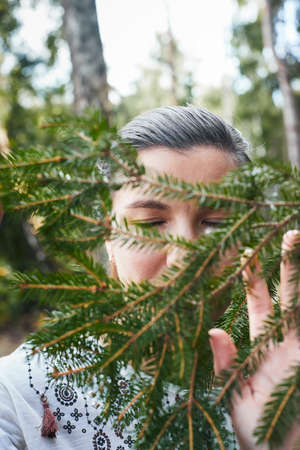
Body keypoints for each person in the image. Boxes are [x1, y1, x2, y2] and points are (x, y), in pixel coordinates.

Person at [0, 106, 299, 449]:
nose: (186, 254)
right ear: (107, 237)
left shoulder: (287, 389)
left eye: (216, 222)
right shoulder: (18, 396)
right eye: (151, 223)